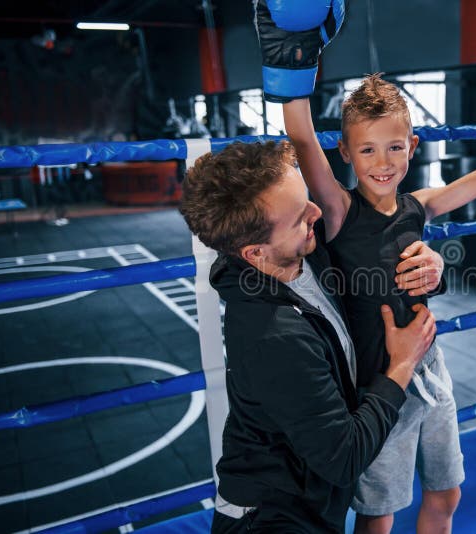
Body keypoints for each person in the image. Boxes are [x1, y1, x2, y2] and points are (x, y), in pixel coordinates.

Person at [255, 2, 476, 532]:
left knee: (447, 495)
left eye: (395, 147)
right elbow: (303, 138)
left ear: (412, 147)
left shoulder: (420, 205)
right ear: (347, 154)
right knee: (379, 518)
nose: (383, 162)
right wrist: (294, 56)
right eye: (369, 149)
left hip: (429, 369)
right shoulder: (337, 209)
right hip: (376, 386)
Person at [179, 139, 445, 533]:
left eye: (307, 201)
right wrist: (401, 366)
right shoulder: (274, 337)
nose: (317, 213)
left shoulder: (302, 254)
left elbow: (373, 259)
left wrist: (431, 268)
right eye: (301, 217)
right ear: (255, 253)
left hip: (311, 503)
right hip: (273, 520)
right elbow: (344, 457)